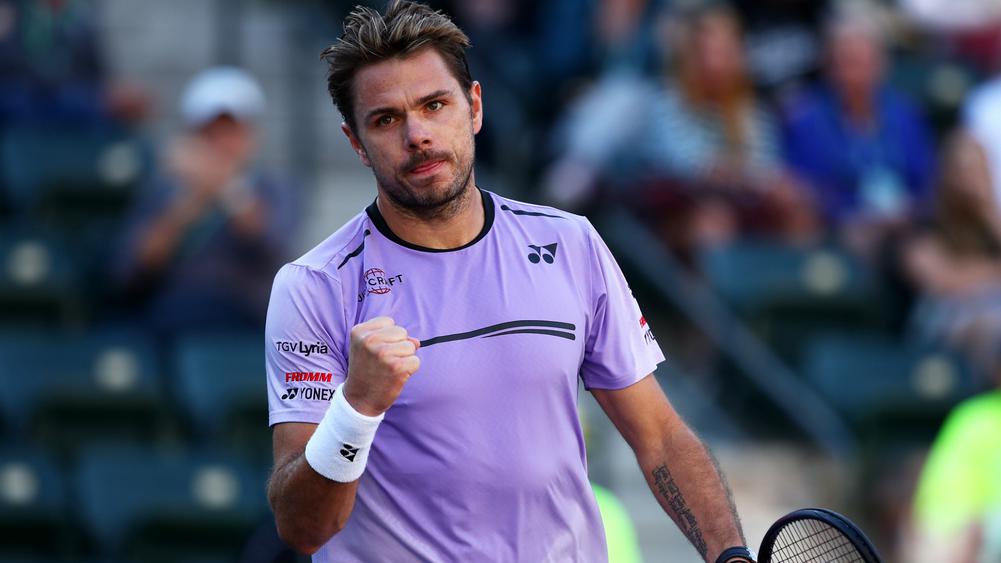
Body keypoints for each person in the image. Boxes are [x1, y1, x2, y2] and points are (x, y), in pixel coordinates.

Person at [264, 2, 754, 562]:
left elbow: (661, 438)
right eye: (386, 120)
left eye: (434, 105)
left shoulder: (571, 244)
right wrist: (356, 408)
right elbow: (302, 527)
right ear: (356, 143)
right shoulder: (313, 287)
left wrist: (730, 555)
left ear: (474, 107)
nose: (417, 135)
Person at [113, 67, 297, 336]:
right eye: (210, 132)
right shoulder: (161, 190)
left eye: (231, 131)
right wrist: (188, 203)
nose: (222, 143)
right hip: (171, 324)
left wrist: (223, 185)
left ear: (251, 135)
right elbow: (132, 270)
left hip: (248, 323)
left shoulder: (274, 188)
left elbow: (270, 245)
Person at [782, 9, 936, 257]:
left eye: (866, 62)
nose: (857, 73)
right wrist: (853, 217)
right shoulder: (807, 121)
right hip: (840, 231)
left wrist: (909, 212)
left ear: (883, 65)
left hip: (905, 227)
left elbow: (927, 180)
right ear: (830, 68)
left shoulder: (906, 115)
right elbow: (807, 191)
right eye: (848, 62)